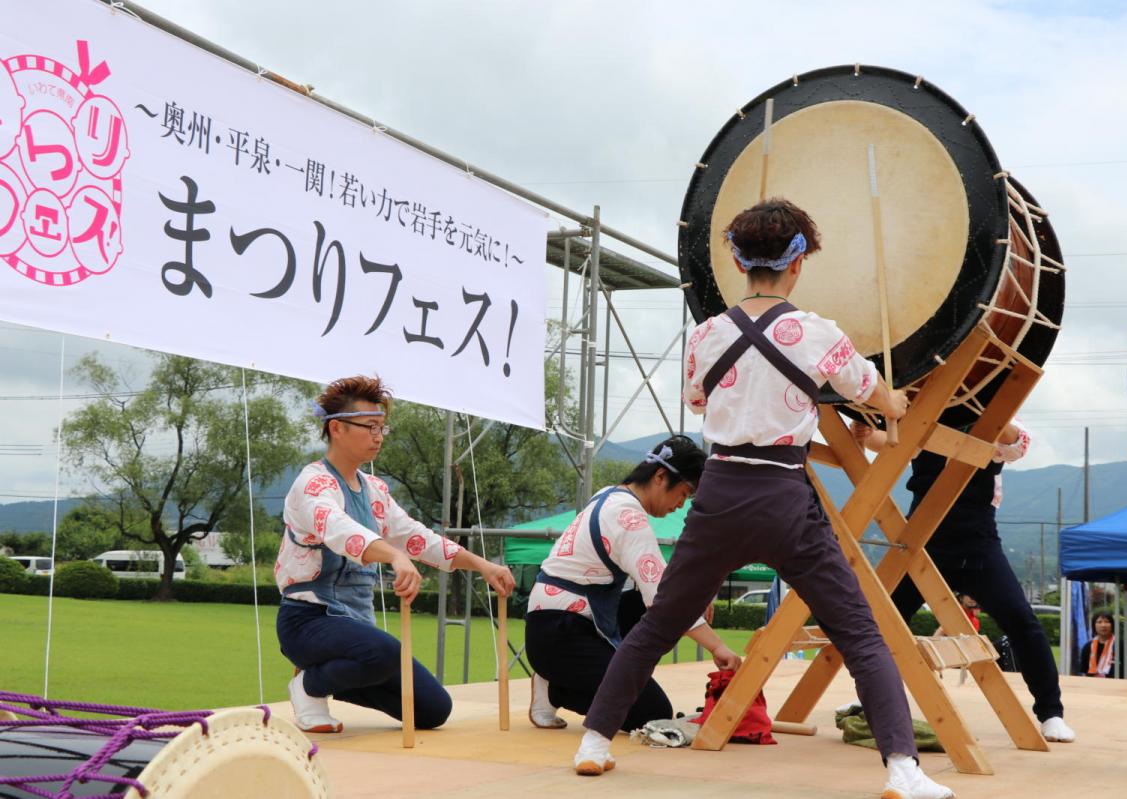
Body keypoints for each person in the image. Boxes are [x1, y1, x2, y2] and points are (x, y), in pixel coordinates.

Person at [574, 199, 953, 799]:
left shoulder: (706, 335)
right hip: (783, 493)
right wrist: (895, 406)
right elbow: (872, 392)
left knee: (657, 626)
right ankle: (903, 771)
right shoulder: (819, 333)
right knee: (858, 633)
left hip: (720, 489)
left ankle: (593, 743)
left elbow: (699, 402)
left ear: (735, 259)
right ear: (797, 263)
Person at [274, 375, 515, 733]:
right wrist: (394, 556)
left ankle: (330, 678)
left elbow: (416, 537)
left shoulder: (375, 490)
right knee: (384, 652)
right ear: (337, 428)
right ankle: (310, 686)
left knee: (433, 710)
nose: (378, 436)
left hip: (356, 629)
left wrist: (480, 565)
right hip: (309, 620)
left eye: (382, 428)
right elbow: (340, 529)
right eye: (370, 426)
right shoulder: (312, 484)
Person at [853, 416, 1074, 743]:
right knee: (883, 621)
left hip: (977, 543)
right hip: (921, 541)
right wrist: (865, 435)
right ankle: (871, 701)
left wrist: (982, 409)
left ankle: (1051, 712)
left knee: (1021, 621)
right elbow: (888, 441)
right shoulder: (924, 419)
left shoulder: (992, 420)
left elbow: (1018, 443)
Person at [524, 436, 741, 732]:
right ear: (661, 477)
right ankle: (554, 688)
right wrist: (719, 648)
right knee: (652, 713)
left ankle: (573, 677)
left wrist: (699, 599)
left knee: (664, 605)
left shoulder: (609, 495)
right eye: (684, 493)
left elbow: (661, 584)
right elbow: (665, 600)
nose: (681, 505)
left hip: (558, 624)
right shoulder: (630, 520)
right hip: (560, 636)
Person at [1078, 612, 1127, 680]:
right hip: (1092, 687)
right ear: (1094, 626)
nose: (1103, 625)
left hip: (1118, 687)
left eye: (1107, 622)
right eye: (1099, 622)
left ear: (1112, 625)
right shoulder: (1087, 647)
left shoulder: (1123, 646)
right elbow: (1084, 671)